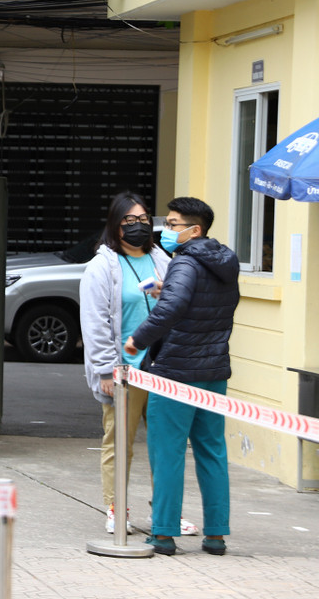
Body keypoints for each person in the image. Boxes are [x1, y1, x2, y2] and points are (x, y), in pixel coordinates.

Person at [124, 196, 240, 556]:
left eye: (173, 224)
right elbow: (204, 305)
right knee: (212, 450)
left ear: (195, 229)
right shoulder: (226, 261)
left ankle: (163, 533)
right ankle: (216, 534)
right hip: (213, 370)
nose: (165, 230)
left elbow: (173, 308)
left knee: (168, 451)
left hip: (175, 371)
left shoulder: (186, 262)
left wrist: (136, 340)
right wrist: (166, 290)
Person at [80, 192, 169, 534]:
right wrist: (105, 369)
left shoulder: (163, 260)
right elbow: (94, 320)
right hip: (124, 370)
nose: (137, 226)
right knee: (119, 442)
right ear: (115, 226)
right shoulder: (102, 267)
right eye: (128, 221)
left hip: (162, 367)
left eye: (143, 219)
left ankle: (166, 511)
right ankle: (117, 509)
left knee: (166, 445)